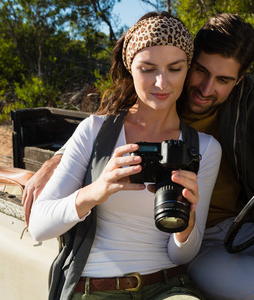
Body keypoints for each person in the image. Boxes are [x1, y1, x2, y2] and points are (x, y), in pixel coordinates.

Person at [25, 13, 254, 300]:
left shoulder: (240, 109)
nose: (205, 89)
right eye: (199, 71)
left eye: (223, 80)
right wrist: (58, 160)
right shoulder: (157, 98)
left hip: (246, 224)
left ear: (238, 81)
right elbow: (111, 126)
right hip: (191, 240)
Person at [28, 11, 221, 300]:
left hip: (170, 285)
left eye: (174, 69)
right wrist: (97, 190)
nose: (162, 83)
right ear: (131, 69)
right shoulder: (95, 131)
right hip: (98, 288)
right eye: (148, 69)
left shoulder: (203, 147)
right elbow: (39, 227)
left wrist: (187, 223)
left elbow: (183, 254)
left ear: (187, 69)